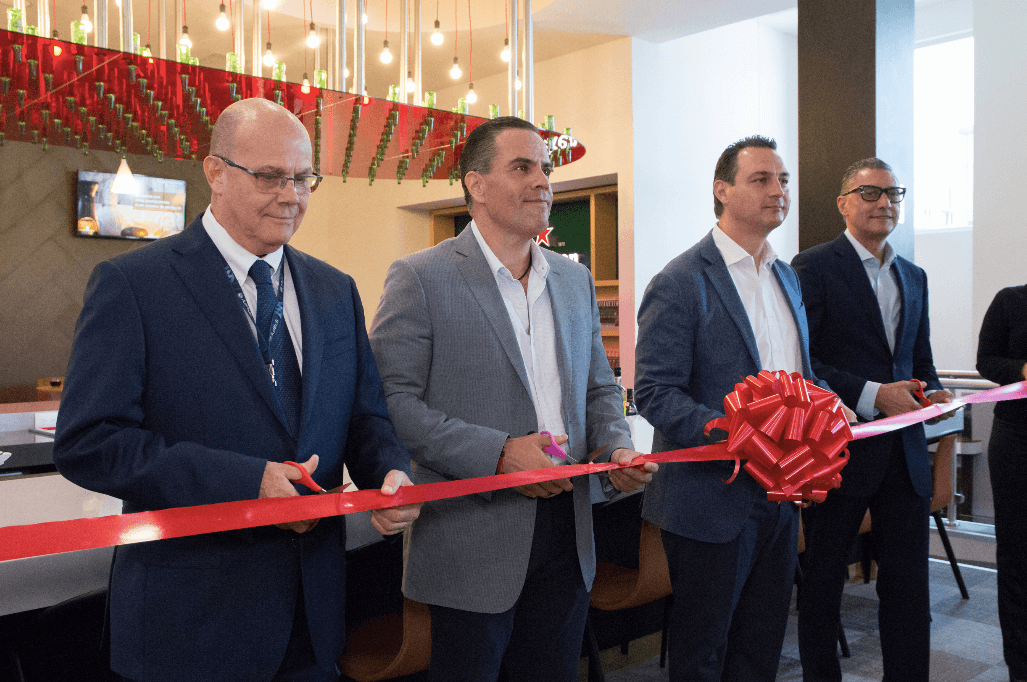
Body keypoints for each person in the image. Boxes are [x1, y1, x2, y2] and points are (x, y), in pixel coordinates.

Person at [53, 97, 421, 682]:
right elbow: (89, 443)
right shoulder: (133, 285)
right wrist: (246, 482)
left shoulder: (335, 290)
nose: (291, 195)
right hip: (189, 627)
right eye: (271, 176)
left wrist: (390, 475)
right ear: (215, 173)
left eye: (304, 178)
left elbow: (365, 419)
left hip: (314, 620)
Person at [368, 116, 656, 682]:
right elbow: (392, 402)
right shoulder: (421, 278)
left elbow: (599, 387)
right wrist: (499, 452)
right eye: (522, 167)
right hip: (471, 542)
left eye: (545, 169)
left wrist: (617, 448)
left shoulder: (572, 282)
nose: (543, 182)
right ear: (475, 184)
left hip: (568, 533)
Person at [635, 135, 825, 681]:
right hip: (709, 499)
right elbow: (654, 393)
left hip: (781, 496)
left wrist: (825, 419)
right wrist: (741, 433)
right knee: (702, 655)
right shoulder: (679, 280)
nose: (778, 191)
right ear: (722, 190)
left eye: (783, 180)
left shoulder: (787, 276)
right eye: (761, 179)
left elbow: (801, 377)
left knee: (761, 648)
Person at [791, 157, 954, 682]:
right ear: (844, 203)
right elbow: (805, 362)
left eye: (893, 194)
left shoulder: (914, 275)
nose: (884, 202)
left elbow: (918, 360)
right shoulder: (811, 267)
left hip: (904, 459)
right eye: (870, 193)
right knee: (821, 588)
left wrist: (931, 391)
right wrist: (872, 395)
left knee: (909, 590)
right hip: (838, 453)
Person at [977, 285, 1027, 682]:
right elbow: (987, 361)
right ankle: (1020, 664)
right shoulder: (1011, 300)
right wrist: (1024, 370)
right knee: (1017, 553)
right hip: (1018, 439)